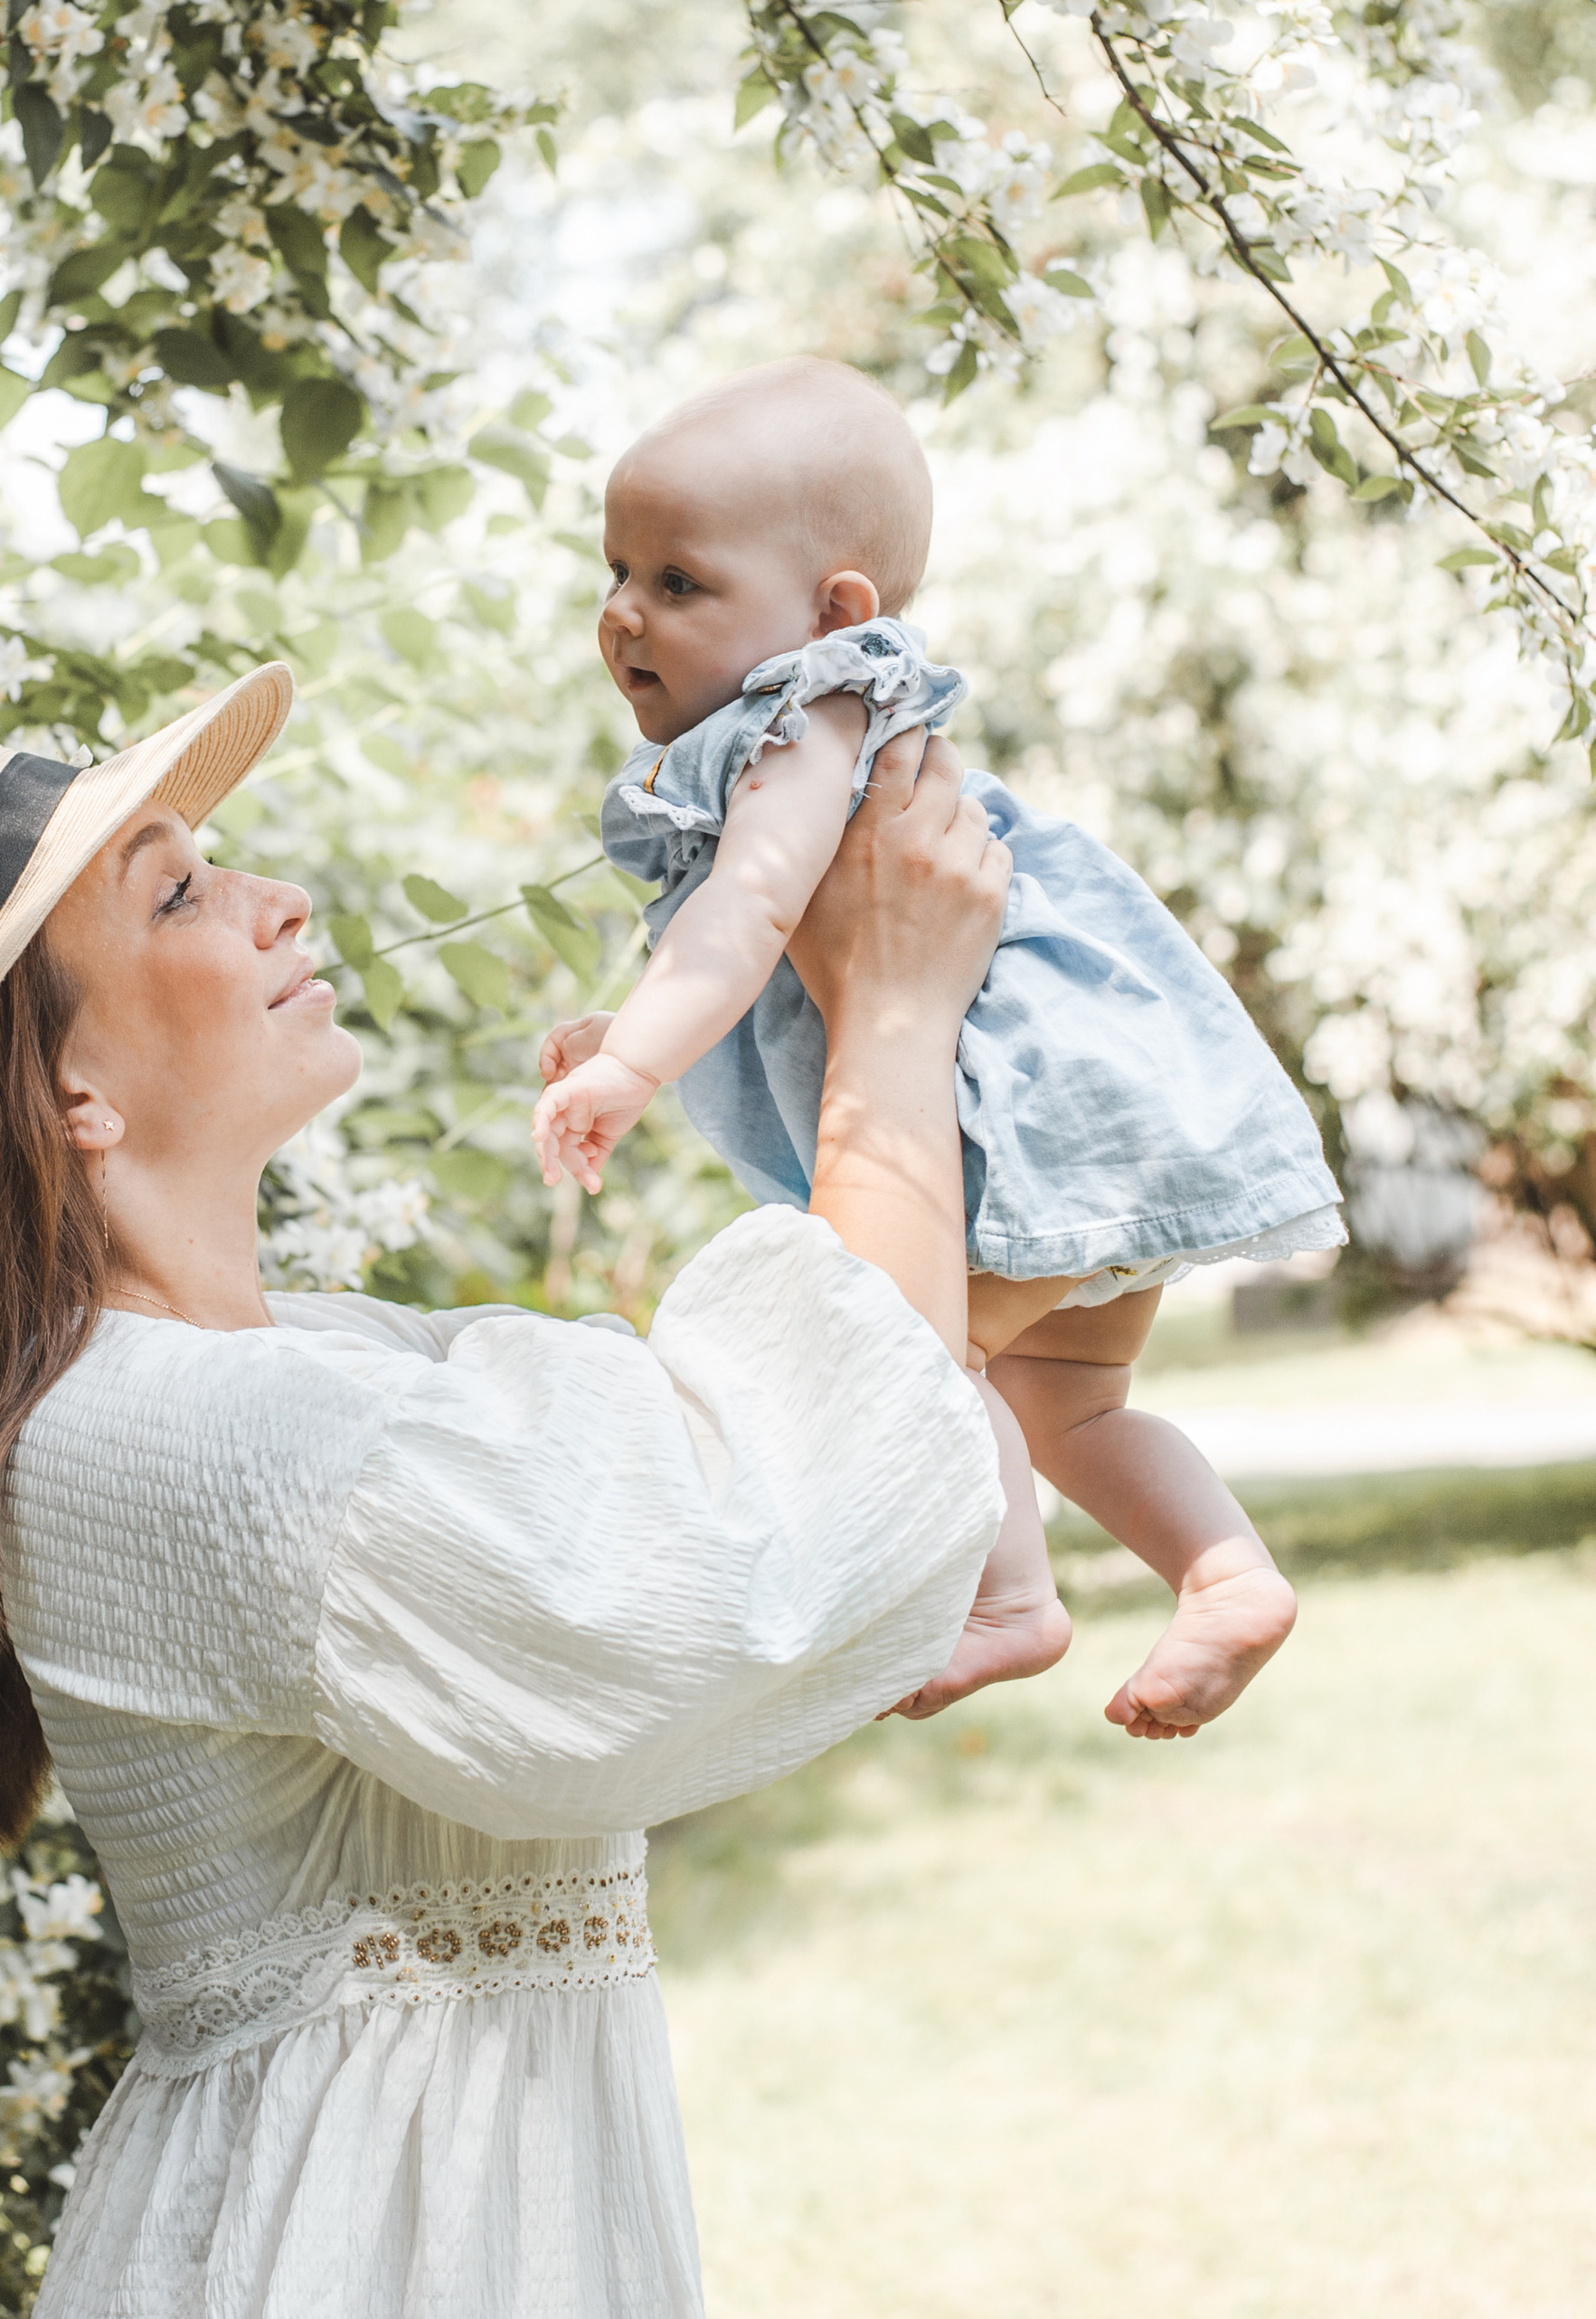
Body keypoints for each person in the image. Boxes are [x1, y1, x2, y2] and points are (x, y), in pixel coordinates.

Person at [0, 658, 1013, 2319]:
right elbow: (733, 1571)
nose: (272, 906)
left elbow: (757, 1469)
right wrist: (897, 1022)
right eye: (171, 895)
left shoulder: (313, 1367)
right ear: (68, 1092)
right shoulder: (178, 1444)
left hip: (451, 2292)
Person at [534, 354, 1330, 1737]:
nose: (621, 615)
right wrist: (644, 1024)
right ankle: (1225, 1571)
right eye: (614, 571)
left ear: (833, 609)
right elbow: (780, 962)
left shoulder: (804, 713)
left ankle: (1013, 1603)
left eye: (676, 582)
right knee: (1068, 1404)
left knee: (924, 1360)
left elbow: (754, 910)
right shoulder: (828, 726)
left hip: (1003, 1137)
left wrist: (634, 1065)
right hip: (1078, 1117)